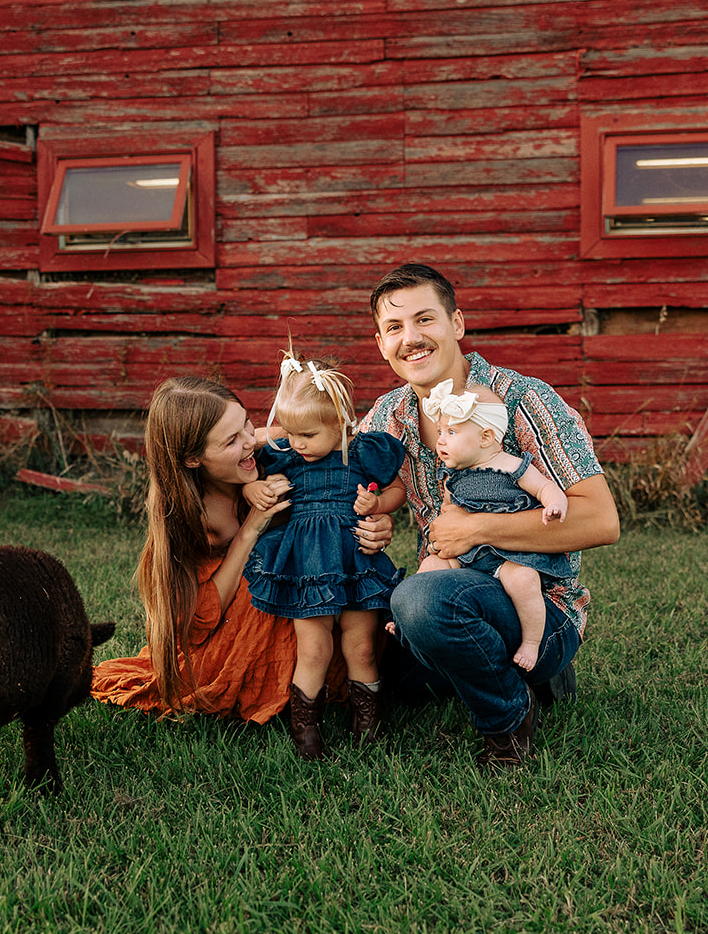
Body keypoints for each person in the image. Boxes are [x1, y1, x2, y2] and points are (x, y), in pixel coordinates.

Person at [359, 263, 620, 769]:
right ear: (380, 343)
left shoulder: (524, 399)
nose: (410, 339)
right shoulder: (389, 416)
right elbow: (345, 482)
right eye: (394, 328)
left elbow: (601, 521)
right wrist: (373, 516)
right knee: (364, 641)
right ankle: (468, 658)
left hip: (537, 605)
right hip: (451, 587)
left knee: (417, 598)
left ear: (457, 323)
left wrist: (476, 527)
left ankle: (509, 715)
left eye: (425, 320)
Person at [91, 377, 362, 726]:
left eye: (247, 423)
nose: (250, 442)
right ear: (192, 459)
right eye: (232, 440)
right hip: (227, 630)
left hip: (315, 604)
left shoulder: (275, 447)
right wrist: (251, 527)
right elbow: (199, 620)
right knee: (269, 578)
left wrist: (375, 520)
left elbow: (340, 440)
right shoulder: (187, 513)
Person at [241, 351, 408, 760]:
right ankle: (307, 732)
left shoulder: (365, 452)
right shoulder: (287, 456)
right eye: (291, 433)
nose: (297, 444)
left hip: (356, 562)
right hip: (307, 565)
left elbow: (398, 490)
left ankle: (367, 725)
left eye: (308, 435)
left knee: (361, 646)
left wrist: (379, 505)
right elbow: (251, 471)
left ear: (341, 422)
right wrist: (251, 490)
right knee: (314, 648)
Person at [416, 379, 570, 673]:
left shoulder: (512, 465)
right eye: (440, 432)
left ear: (486, 436)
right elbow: (450, 516)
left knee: (524, 581)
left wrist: (554, 503)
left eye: (451, 432)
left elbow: (543, 488)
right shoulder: (454, 477)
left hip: (508, 557)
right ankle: (405, 618)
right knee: (430, 567)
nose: (441, 441)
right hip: (468, 558)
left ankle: (531, 641)